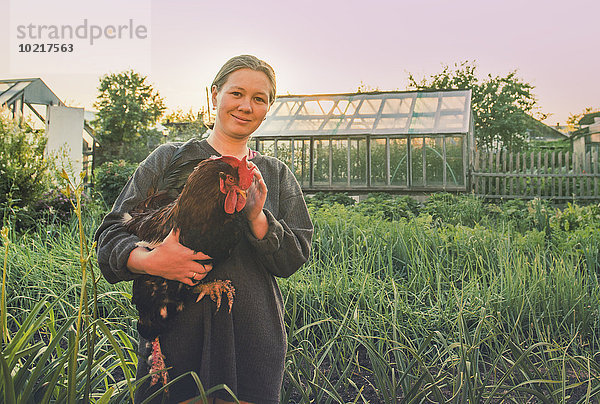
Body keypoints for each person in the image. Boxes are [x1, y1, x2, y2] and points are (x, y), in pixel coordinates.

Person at [94, 55, 313, 404]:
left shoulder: (275, 174)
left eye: (259, 98)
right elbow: (109, 236)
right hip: (174, 339)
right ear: (214, 96)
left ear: (268, 107)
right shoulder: (168, 159)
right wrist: (151, 260)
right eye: (236, 93)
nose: (246, 105)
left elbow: (295, 256)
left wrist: (258, 218)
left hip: (251, 342)